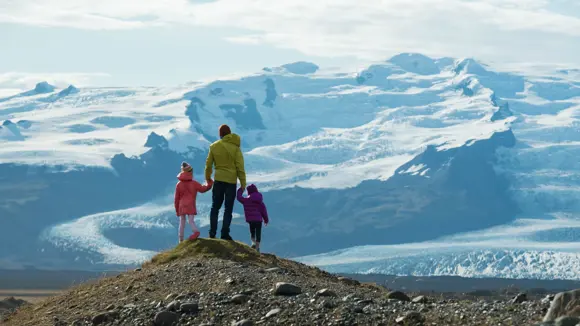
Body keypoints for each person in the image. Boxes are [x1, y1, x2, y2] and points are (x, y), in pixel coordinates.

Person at [205, 124, 247, 240]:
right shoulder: (235, 148)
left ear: (220, 134)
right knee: (228, 209)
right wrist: (243, 184)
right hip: (231, 182)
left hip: (218, 180)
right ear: (230, 133)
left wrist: (208, 178)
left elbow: (208, 165)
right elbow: (240, 167)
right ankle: (224, 233)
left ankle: (212, 233)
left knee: (215, 207)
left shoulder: (214, 146)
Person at [174, 162, 213, 243]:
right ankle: (196, 232)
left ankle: (180, 240)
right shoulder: (193, 183)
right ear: (190, 171)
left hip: (181, 205)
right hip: (190, 205)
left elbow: (176, 198)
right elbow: (203, 189)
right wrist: (209, 183)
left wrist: (177, 210)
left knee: (182, 222)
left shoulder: (178, 184)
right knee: (191, 220)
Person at [236, 184, 269, 252]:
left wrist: (241, 189)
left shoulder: (246, 200)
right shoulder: (260, 201)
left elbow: (239, 197)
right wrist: (266, 220)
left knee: (252, 232)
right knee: (258, 233)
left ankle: (253, 243)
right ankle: (257, 247)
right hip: (259, 220)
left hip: (251, 220)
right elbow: (264, 212)